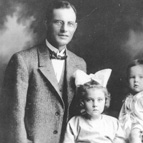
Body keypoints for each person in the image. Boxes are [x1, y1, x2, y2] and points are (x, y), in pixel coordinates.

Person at [0, 1, 86, 143]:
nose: (65, 29)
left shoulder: (80, 64)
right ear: (46, 23)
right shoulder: (23, 60)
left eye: (70, 23)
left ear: (75, 27)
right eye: (58, 22)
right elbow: (14, 114)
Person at [63, 69, 126, 143]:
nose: (95, 105)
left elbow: (120, 140)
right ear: (82, 102)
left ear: (105, 100)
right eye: (89, 100)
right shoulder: (74, 122)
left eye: (99, 100)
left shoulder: (113, 123)